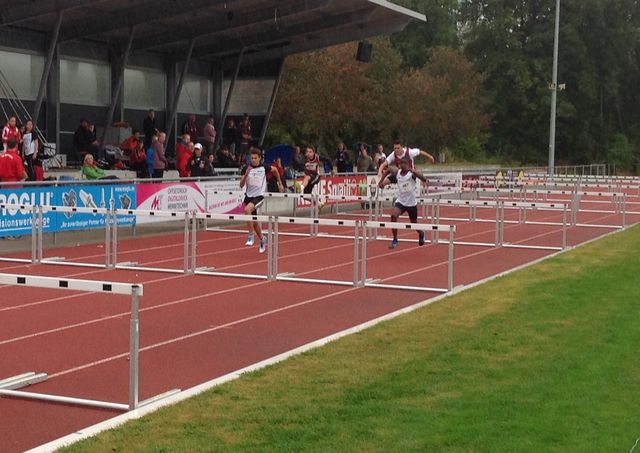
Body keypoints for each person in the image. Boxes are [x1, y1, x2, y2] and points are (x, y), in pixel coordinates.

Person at [239, 148, 283, 253]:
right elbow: (241, 185)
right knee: (254, 222)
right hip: (248, 197)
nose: (253, 160)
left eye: (255, 158)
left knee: (247, 210)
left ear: (259, 158)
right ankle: (262, 239)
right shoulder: (246, 168)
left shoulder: (264, 167)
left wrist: (280, 183)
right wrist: (246, 174)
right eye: (252, 158)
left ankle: (250, 235)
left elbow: (275, 170)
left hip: (259, 196)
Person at [378, 155, 427, 249]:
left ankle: (421, 233)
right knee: (393, 216)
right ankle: (395, 239)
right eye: (401, 163)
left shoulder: (411, 174)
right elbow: (388, 170)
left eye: (405, 163)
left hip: (411, 203)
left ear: (408, 164)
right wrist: (381, 182)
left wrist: (414, 171)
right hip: (401, 202)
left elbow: (424, 179)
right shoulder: (397, 173)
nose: (403, 165)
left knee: (413, 223)